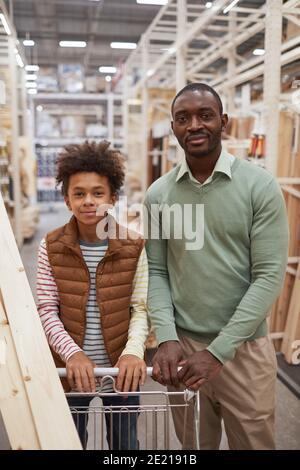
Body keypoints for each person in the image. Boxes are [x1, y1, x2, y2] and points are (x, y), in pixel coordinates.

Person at [144, 83, 289, 450]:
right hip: (184, 350)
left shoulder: (259, 186)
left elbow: (269, 276)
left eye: (205, 115)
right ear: (174, 127)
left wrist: (219, 351)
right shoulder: (159, 195)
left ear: (223, 121)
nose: (194, 125)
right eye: (183, 118)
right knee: (192, 447)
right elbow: (157, 271)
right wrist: (166, 337)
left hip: (244, 350)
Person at [36, 140, 149, 449]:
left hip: (120, 370)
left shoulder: (134, 246)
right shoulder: (51, 245)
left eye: (98, 193)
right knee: (70, 441)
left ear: (112, 197)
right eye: (79, 193)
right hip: (69, 371)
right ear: (66, 198)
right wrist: (72, 353)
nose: (88, 201)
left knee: (125, 444)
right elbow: (46, 308)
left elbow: (140, 308)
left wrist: (132, 353)